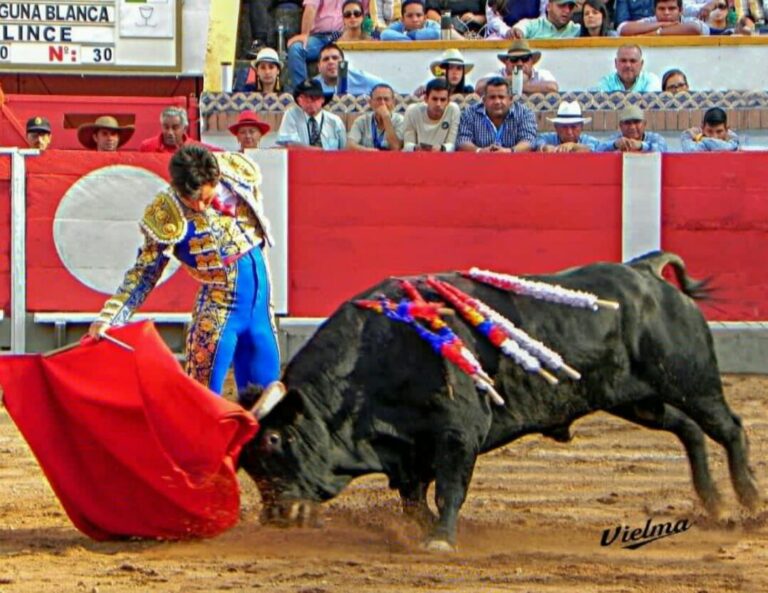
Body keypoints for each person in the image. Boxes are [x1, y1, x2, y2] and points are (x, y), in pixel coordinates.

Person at [87, 145, 279, 396]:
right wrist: (109, 318)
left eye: (206, 199)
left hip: (262, 311)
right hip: (219, 316)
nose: (199, 207)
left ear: (215, 178)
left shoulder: (237, 172)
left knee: (269, 405)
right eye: (192, 200)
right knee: (201, 400)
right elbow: (144, 273)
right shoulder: (167, 212)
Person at [287, 0, 370, 89]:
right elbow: (311, 7)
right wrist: (304, 34)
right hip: (320, 37)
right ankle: (302, 92)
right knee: (296, 49)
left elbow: (366, 12)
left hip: (347, 35)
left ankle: (345, 93)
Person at [456, 77, 537, 153]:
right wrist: (480, 151)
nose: (497, 101)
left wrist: (509, 151)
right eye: (492, 97)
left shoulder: (524, 114)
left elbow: (529, 141)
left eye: (501, 97)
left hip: (514, 163)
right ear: (484, 100)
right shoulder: (470, 114)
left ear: (510, 99)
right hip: (480, 163)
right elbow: (462, 140)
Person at [276, 79, 347, 149]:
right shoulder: (292, 115)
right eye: (305, 98)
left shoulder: (335, 121)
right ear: (299, 101)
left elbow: (345, 150)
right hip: (301, 159)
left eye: (314, 98)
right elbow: (289, 144)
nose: (310, 102)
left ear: (322, 99)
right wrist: (317, 152)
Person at [476, 40, 558, 95]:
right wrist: (510, 80)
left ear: (532, 61)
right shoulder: (498, 74)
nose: (519, 63)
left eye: (524, 58)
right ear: (506, 62)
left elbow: (553, 88)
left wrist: (518, 85)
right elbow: (479, 87)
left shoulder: (541, 74)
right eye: (514, 59)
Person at [402, 78, 461, 151]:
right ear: (426, 99)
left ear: (448, 101)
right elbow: (407, 145)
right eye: (434, 99)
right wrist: (415, 148)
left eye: (443, 100)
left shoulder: (453, 109)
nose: (438, 104)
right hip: (417, 157)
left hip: (443, 158)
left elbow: (452, 145)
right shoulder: (412, 111)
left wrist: (441, 149)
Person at [313, 42, 387, 96]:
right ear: (319, 67)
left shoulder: (362, 79)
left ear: (344, 63)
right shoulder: (311, 86)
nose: (331, 62)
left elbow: (389, 91)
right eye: (326, 59)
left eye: (335, 58)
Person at [347, 84, 404, 151]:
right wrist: (370, 152)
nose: (382, 103)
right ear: (370, 102)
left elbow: (396, 148)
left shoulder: (400, 121)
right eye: (378, 99)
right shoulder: (361, 121)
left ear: (393, 102)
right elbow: (350, 146)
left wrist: (386, 118)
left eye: (386, 99)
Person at [139, 106, 212, 153]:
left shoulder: (198, 149)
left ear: (185, 128)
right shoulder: (147, 147)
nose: (170, 132)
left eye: (175, 127)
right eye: (166, 127)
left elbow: (221, 154)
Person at [535, 100, 600, 152]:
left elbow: (592, 148)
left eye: (574, 127)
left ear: (581, 127)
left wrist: (573, 146)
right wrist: (544, 148)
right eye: (564, 127)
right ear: (556, 127)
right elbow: (538, 143)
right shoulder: (547, 138)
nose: (569, 132)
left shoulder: (588, 140)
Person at [597, 105, 668, 152]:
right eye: (627, 123)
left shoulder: (655, 138)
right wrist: (615, 145)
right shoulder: (616, 138)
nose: (632, 127)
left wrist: (641, 145)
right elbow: (597, 150)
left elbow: (663, 150)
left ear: (644, 124)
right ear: (620, 126)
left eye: (636, 122)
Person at [618, 0, 710, 35]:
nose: (666, 13)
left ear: (680, 10)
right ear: (654, 10)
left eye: (671, 8)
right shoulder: (651, 21)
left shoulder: (688, 21)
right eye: (661, 9)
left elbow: (695, 28)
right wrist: (661, 24)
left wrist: (657, 33)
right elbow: (623, 29)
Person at [594, 45, 661, 92]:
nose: (628, 65)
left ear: (641, 64)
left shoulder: (651, 80)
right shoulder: (606, 82)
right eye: (623, 61)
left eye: (633, 61)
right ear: (616, 63)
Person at [513, 0, 581, 39]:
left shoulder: (578, 30)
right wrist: (517, 32)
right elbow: (519, 29)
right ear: (548, 7)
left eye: (571, 7)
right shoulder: (531, 26)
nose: (567, 10)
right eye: (562, 5)